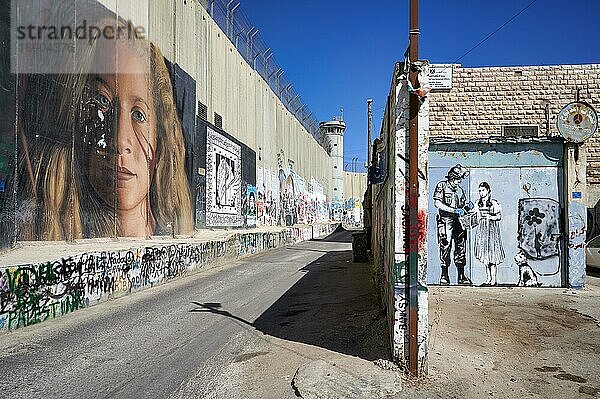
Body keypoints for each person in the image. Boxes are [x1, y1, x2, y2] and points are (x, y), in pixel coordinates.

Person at [18, 15, 192, 239]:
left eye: (139, 115)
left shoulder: (170, 230)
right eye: (102, 101)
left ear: (161, 137)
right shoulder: (53, 226)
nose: (119, 141)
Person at [433, 164, 473, 285]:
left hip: (459, 221)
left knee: (461, 247)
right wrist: (453, 210)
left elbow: (462, 207)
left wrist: (467, 207)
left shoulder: (460, 190)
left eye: (460, 179)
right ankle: (444, 275)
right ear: (452, 177)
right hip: (445, 220)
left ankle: (461, 276)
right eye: (458, 179)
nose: (459, 181)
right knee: (445, 245)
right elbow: (437, 203)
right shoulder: (442, 186)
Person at [473, 182, 505, 286]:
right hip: (482, 230)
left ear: (488, 190)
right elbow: (474, 216)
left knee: (492, 256)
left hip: (491, 230)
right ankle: (488, 279)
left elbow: (499, 216)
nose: (481, 193)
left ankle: (493, 280)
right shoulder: (477, 203)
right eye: (479, 191)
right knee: (485, 257)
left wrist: (490, 217)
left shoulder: (494, 203)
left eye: (483, 190)